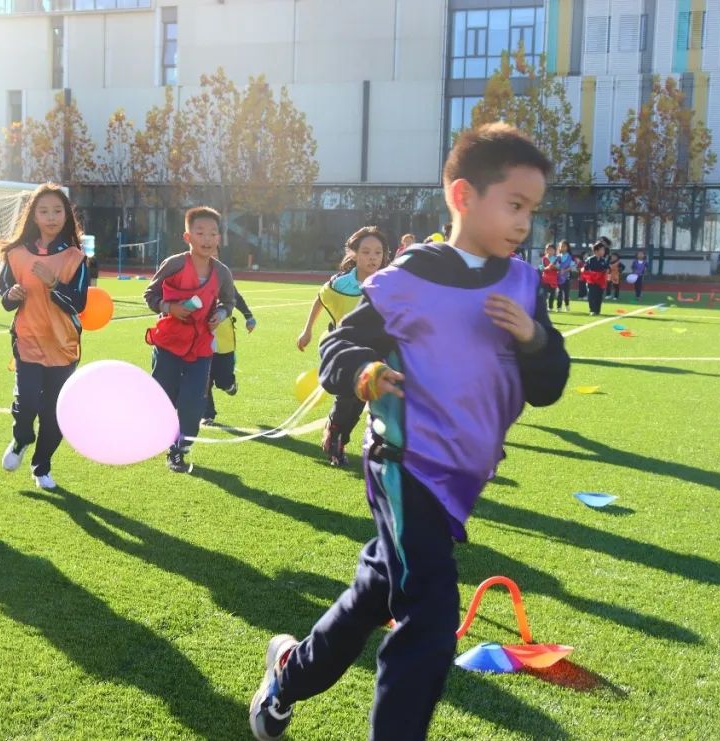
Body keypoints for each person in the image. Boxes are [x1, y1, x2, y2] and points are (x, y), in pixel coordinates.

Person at [248, 122, 570, 741]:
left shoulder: (523, 285)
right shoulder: (410, 277)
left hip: (461, 477)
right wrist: (363, 371)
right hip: (402, 463)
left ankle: (286, 675)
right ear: (462, 197)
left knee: (375, 592)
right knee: (428, 609)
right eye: (514, 204)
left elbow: (549, 385)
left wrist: (533, 340)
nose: (525, 222)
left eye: (532, 209)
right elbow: (338, 345)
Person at [0, 183, 89, 489]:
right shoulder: (16, 254)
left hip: (63, 346)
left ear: (66, 216)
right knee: (27, 403)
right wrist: (12, 294)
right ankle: (21, 439)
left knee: (54, 414)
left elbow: (78, 303)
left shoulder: (76, 257)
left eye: (57, 211)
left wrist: (54, 285)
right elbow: (4, 297)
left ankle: (42, 466)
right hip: (28, 340)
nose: (51, 217)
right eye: (44, 211)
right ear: (33, 216)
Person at [144, 206, 236, 474]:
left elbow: (228, 302)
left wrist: (220, 313)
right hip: (170, 342)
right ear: (188, 237)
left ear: (219, 238)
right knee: (164, 396)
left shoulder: (222, 273)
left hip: (201, 347)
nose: (207, 239)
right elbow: (150, 295)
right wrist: (169, 308)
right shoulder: (174, 264)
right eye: (200, 233)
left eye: (212, 233)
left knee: (194, 399)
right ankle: (160, 434)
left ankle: (179, 450)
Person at [297, 227, 390, 466]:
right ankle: (335, 443)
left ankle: (338, 433)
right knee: (346, 398)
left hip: (371, 353)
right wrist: (307, 330)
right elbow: (320, 299)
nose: (372, 257)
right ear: (355, 254)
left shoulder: (388, 283)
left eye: (378, 253)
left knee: (358, 403)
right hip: (342, 352)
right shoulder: (342, 284)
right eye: (366, 252)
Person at [203, 287, 257, 426]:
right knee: (203, 377)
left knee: (223, 380)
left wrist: (248, 316)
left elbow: (235, 297)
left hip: (223, 338)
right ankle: (207, 414)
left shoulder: (221, 273)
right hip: (201, 337)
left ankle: (229, 384)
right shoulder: (191, 275)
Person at [582, 241, 609, 315]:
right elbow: (585, 269)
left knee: (599, 295)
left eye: (604, 250)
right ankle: (592, 310)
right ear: (596, 251)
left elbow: (607, 269)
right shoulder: (590, 260)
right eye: (601, 250)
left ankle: (597, 310)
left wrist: (607, 275)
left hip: (600, 281)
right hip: (591, 281)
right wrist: (591, 275)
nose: (603, 251)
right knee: (591, 295)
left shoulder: (604, 260)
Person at [555, 240, 574, 311]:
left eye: (564, 246)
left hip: (567, 278)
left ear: (567, 247)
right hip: (559, 278)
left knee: (566, 293)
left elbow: (572, 267)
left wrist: (565, 270)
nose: (562, 248)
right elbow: (555, 266)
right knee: (559, 292)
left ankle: (567, 305)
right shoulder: (557, 257)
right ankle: (559, 307)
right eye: (561, 246)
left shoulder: (570, 257)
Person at [540, 243, 559, 311]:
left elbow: (558, 268)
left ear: (554, 251)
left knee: (552, 294)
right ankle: (544, 306)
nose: (550, 251)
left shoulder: (556, 258)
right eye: (548, 250)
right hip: (545, 279)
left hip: (553, 279)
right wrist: (546, 268)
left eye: (551, 250)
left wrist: (555, 267)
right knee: (544, 294)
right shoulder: (544, 258)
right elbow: (542, 267)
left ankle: (550, 307)